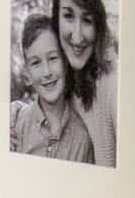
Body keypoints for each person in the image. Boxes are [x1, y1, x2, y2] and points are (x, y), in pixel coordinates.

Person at [51, 0, 117, 167]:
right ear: (56, 18)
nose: (78, 37)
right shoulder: (60, 75)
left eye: (87, 20)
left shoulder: (112, 85)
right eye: (69, 16)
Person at [10, 13, 94, 163]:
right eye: (36, 63)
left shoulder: (82, 139)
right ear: (27, 74)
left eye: (53, 58)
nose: (47, 72)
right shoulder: (14, 127)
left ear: (66, 62)